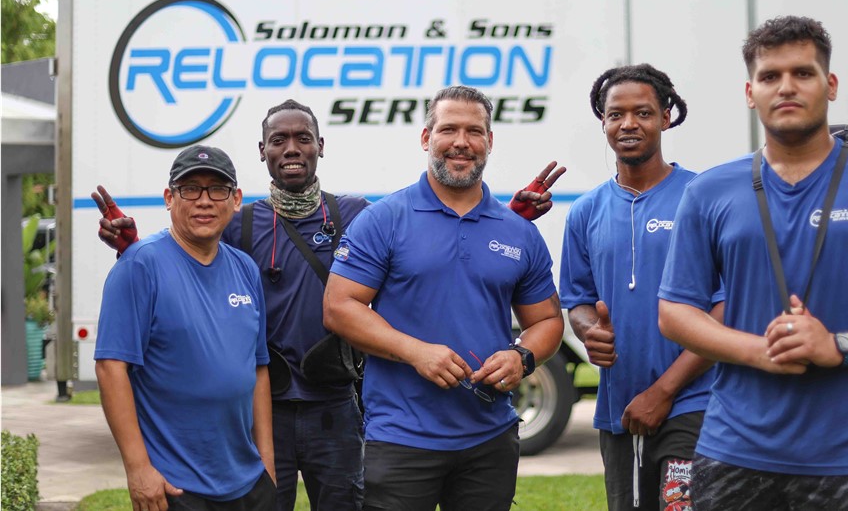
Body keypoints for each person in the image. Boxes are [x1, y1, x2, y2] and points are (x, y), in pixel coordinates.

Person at [93, 99, 565, 511]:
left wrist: (506, 221)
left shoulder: (354, 213)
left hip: (335, 404)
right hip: (267, 405)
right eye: (279, 140)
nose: (291, 148)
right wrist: (130, 249)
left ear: (322, 146)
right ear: (263, 152)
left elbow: (436, 231)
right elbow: (190, 245)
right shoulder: (241, 220)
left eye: (303, 138)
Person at [657, 15, 848, 510]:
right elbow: (675, 313)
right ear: (749, 91)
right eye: (769, 76)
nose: (786, 87)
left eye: (803, 73)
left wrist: (839, 345)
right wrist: (758, 350)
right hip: (737, 451)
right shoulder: (709, 191)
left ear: (832, 84)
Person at [322, 85, 565, 511]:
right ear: (425, 138)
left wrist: (521, 358)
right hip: (400, 438)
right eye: (448, 129)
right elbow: (339, 307)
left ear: (489, 142)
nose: (461, 142)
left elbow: (546, 322)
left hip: (490, 439)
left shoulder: (517, 231)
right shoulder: (385, 219)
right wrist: (416, 352)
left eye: (474, 131)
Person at [559, 63, 722, 511]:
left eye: (643, 113)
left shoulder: (702, 198)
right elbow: (577, 300)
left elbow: (724, 311)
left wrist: (664, 391)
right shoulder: (585, 211)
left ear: (666, 117)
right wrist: (590, 331)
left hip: (694, 402)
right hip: (621, 411)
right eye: (616, 114)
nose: (628, 124)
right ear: (604, 122)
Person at [95, 145, 276, 510]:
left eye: (218, 189)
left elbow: (257, 370)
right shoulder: (139, 266)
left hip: (248, 483)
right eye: (190, 188)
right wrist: (138, 469)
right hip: (176, 488)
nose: (204, 201)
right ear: (169, 198)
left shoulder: (245, 269)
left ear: (236, 199)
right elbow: (110, 368)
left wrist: (267, 466)